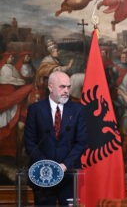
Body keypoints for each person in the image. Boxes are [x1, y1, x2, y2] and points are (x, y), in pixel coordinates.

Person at [24, 71, 87, 206]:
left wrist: (64, 166)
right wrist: (47, 166)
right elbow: (30, 142)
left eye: (68, 87)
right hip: (42, 175)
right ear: (50, 87)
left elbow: (81, 142)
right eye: (62, 87)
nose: (66, 91)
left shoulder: (78, 110)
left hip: (69, 175)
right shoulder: (35, 109)